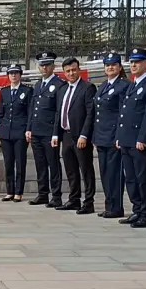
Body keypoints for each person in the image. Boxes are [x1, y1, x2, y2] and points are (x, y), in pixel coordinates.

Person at [117, 48, 146, 228]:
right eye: (132, 62)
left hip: (139, 141)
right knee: (131, 177)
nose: (134, 65)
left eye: (138, 62)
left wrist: (143, 138)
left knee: (142, 177)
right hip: (126, 138)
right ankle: (137, 209)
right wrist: (119, 136)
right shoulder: (132, 84)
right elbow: (124, 113)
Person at [51, 57, 96, 214]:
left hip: (80, 136)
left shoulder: (87, 88)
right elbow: (59, 112)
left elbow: (91, 113)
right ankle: (74, 199)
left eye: (74, 70)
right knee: (70, 169)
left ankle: (88, 202)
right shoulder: (62, 89)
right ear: (63, 73)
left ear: (79, 70)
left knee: (86, 169)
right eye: (68, 71)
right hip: (66, 135)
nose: (71, 73)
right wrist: (55, 134)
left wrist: (85, 135)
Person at [27, 52, 65, 207]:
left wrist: (56, 133)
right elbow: (32, 109)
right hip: (36, 131)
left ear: (53, 66)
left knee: (53, 164)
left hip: (49, 132)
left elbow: (58, 112)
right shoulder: (38, 85)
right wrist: (29, 128)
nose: (44, 68)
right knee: (40, 164)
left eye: (47, 65)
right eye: (41, 65)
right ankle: (43, 193)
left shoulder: (58, 85)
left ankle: (56, 196)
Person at [93, 52, 128, 219]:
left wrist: (119, 136)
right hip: (101, 136)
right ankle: (109, 205)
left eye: (113, 65)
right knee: (105, 172)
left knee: (115, 173)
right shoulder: (103, 86)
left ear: (119, 67)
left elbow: (122, 113)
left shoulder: (123, 85)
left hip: (114, 136)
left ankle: (116, 207)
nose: (110, 67)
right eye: (107, 65)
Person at [0, 64, 30, 202]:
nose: (13, 75)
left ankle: (18, 192)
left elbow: (29, 112)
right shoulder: (4, 92)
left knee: (20, 162)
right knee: (8, 162)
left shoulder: (26, 91)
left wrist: (28, 129)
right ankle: (10, 191)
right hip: (6, 132)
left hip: (20, 131)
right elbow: (0, 113)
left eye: (16, 73)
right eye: (11, 73)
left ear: (20, 75)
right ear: (8, 76)